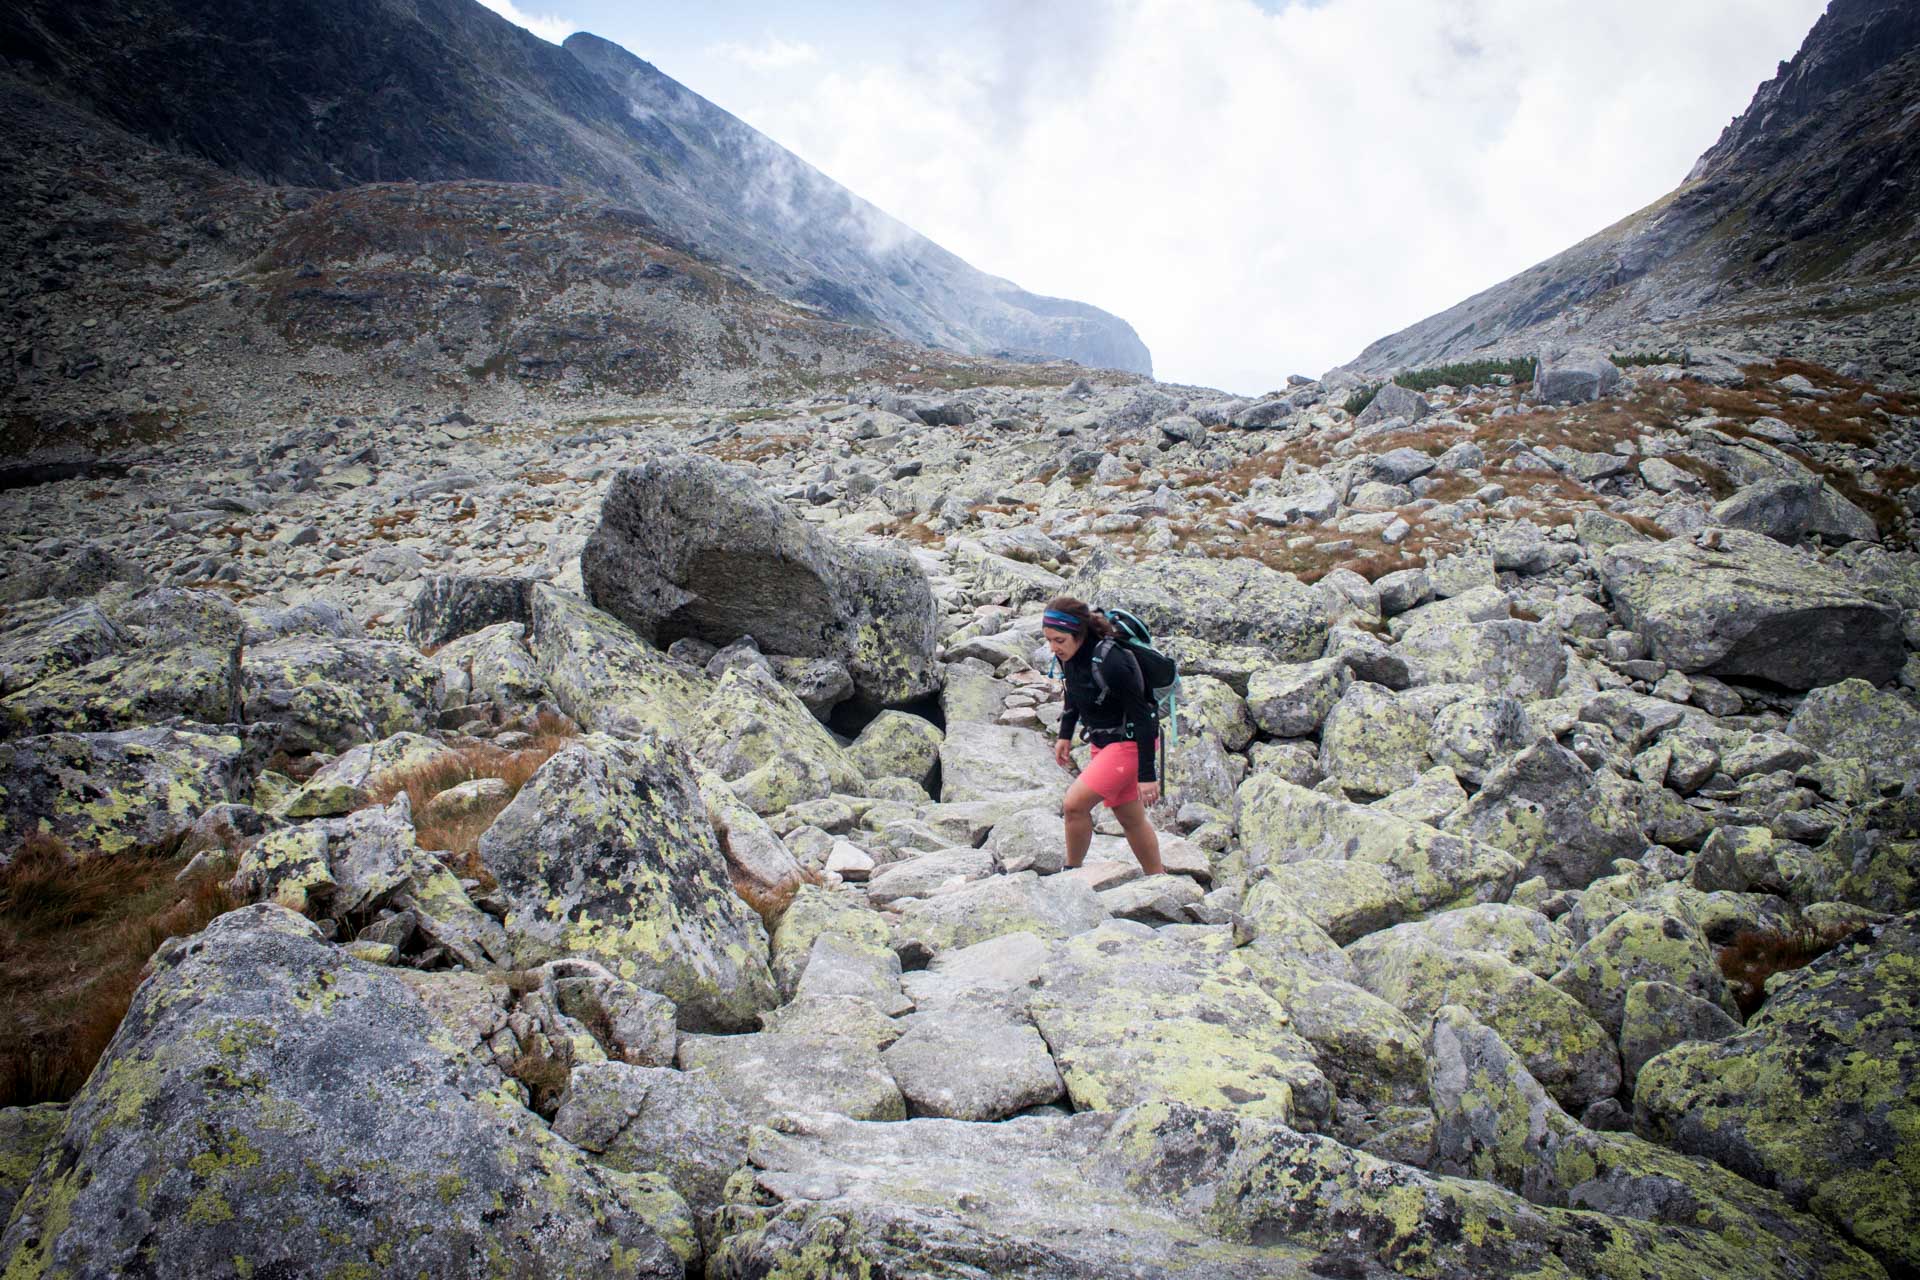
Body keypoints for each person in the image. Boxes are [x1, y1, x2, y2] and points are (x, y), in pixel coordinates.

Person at [1041, 596, 1163, 875]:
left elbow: (1144, 717)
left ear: (1078, 633)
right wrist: (1065, 734)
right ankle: (1158, 878)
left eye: (1059, 640)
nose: (1053, 647)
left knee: (1074, 805)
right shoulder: (1068, 656)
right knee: (1130, 818)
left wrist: (1147, 775)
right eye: (1049, 640)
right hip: (1103, 742)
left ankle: (1071, 873)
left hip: (1129, 744)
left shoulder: (1112, 661)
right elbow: (1074, 693)